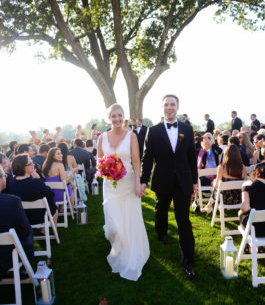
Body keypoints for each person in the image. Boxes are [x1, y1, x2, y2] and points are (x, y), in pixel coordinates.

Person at [141, 94, 197, 278]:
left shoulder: (187, 129)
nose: (169, 107)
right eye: (166, 105)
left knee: (183, 221)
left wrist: (194, 181)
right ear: (162, 108)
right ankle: (162, 232)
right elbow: (147, 157)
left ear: (178, 107)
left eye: (172, 104)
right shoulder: (153, 130)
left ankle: (188, 262)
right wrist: (143, 179)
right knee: (161, 208)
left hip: (183, 180)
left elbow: (191, 157)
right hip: (162, 178)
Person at [97, 103, 149, 281]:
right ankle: (118, 245)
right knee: (113, 224)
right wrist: (104, 169)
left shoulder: (131, 136)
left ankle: (128, 254)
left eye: (120, 115)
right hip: (109, 186)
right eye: (113, 116)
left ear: (124, 117)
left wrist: (137, 182)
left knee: (128, 219)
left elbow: (136, 161)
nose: (117, 119)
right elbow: (99, 161)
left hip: (128, 183)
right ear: (109, 118)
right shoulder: (102, 138)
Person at [0, 167, 34, 279]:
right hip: (8, 257)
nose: (6, 177)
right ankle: (23, 268)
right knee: (28, 233)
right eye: (4, 175)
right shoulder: (12, 201)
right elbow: (25, 231)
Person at [8, 154, 58, 226]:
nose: (33, 164)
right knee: (53, 206)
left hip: (20, 216)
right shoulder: (35, 182)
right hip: (39, 217)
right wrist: (39, 179)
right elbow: (51, 193)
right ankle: (50, 231)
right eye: (30, 163)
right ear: (23, 167)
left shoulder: (11, 182)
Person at [202, 144, 247, 213]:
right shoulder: (242, 167)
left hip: (224, 199)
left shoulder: (222, 167)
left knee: (215, 186)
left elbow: (217, 185)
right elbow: (246, 184)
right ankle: (209, 205)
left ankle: (209, 205)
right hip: (239, 198)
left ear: (226, 154)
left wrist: (213, 183)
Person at [238, 163, 265, 250]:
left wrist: (240, 212)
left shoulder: (248, 184)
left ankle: (248, 245)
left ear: (256, 172)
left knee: (243, 215)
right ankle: (257, 246)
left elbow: (245, 208)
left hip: (255, 228)